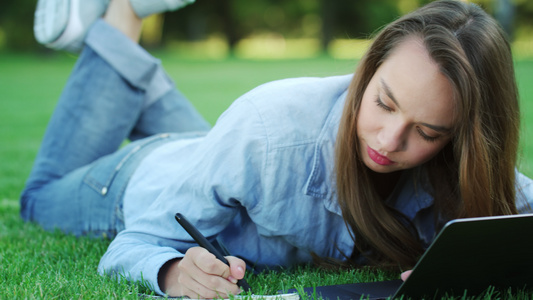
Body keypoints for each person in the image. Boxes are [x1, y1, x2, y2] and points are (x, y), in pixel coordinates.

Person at [21, 0, 533, 298]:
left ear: (461, 137)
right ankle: (125, 11)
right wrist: (175, 272)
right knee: (37, 198)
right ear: (367, 70)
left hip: (214, 153)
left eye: (427, 132)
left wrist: (456, 264)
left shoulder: (464, 159)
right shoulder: (268, 128)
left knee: (226, 147)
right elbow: (131, 245)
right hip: (136, 177)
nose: (387, 140)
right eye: (383, 103)